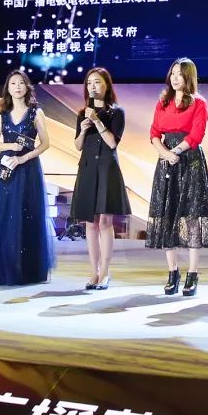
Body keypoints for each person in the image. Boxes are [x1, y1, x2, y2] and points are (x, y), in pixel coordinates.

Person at [0, 71, 56, 285]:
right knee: (3, 215)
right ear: (8, 88)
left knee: (27, 214)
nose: (17, 87)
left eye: (21, 83)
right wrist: (12, 147)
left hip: (28, 169)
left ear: (27, 87)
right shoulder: (2, 114)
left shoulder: (36, 113)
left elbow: (45, 143)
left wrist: (24, 157)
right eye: (13, 83)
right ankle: (1, 268)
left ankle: (28, 269)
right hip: (6, 167)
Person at [147, 57, 208, 296]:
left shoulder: (199, 103)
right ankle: (173, 272)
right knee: (167, 217)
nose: (175, 78)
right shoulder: (163, 102)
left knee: (191, 218)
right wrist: (165, 153)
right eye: (173, 73)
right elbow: (154, 133)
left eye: (180, 74)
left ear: (189, 77)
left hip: (190, 161)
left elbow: (196, 134)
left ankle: (193, 274)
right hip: (167, 161)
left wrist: (176, 151)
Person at [70, 67, 131, 290]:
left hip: (107, 169)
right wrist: (83, 129)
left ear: (107, 85)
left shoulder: (117, 112)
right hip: (87, 169)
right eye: (89, 83)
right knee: (90, 222)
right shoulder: (82, 113)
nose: (92, 86)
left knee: (105, 221)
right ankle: (93, 272)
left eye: (97, 82)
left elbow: (112, 143)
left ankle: (105, 272)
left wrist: (97, 121)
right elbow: (77, 146)